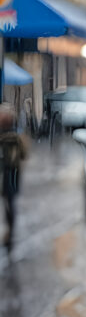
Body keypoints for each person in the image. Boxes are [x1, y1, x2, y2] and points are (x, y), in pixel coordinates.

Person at [0, 102, 26, 250]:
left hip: (10, 173)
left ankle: (10, 232)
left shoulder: (13, 137)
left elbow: (22, 154)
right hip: (11, 173)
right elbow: (23, 155)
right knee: (9, 203)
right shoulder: (16, 136)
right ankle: (10, 231)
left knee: (9, 203)